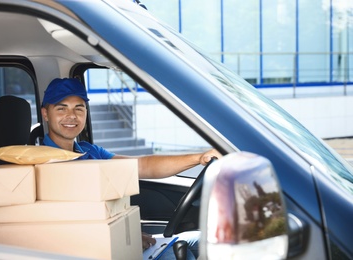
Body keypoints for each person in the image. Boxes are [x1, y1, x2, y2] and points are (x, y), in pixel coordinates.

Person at [41, 78, 221, 259]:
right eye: (61, 108)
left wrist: (199, 158)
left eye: (78, 108)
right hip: (93, 252)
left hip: (114, 244)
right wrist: (123, 239)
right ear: (45, 114)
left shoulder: (90, 151)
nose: (71, 116)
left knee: (205, 241)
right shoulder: (38, 166)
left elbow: (142, 166)